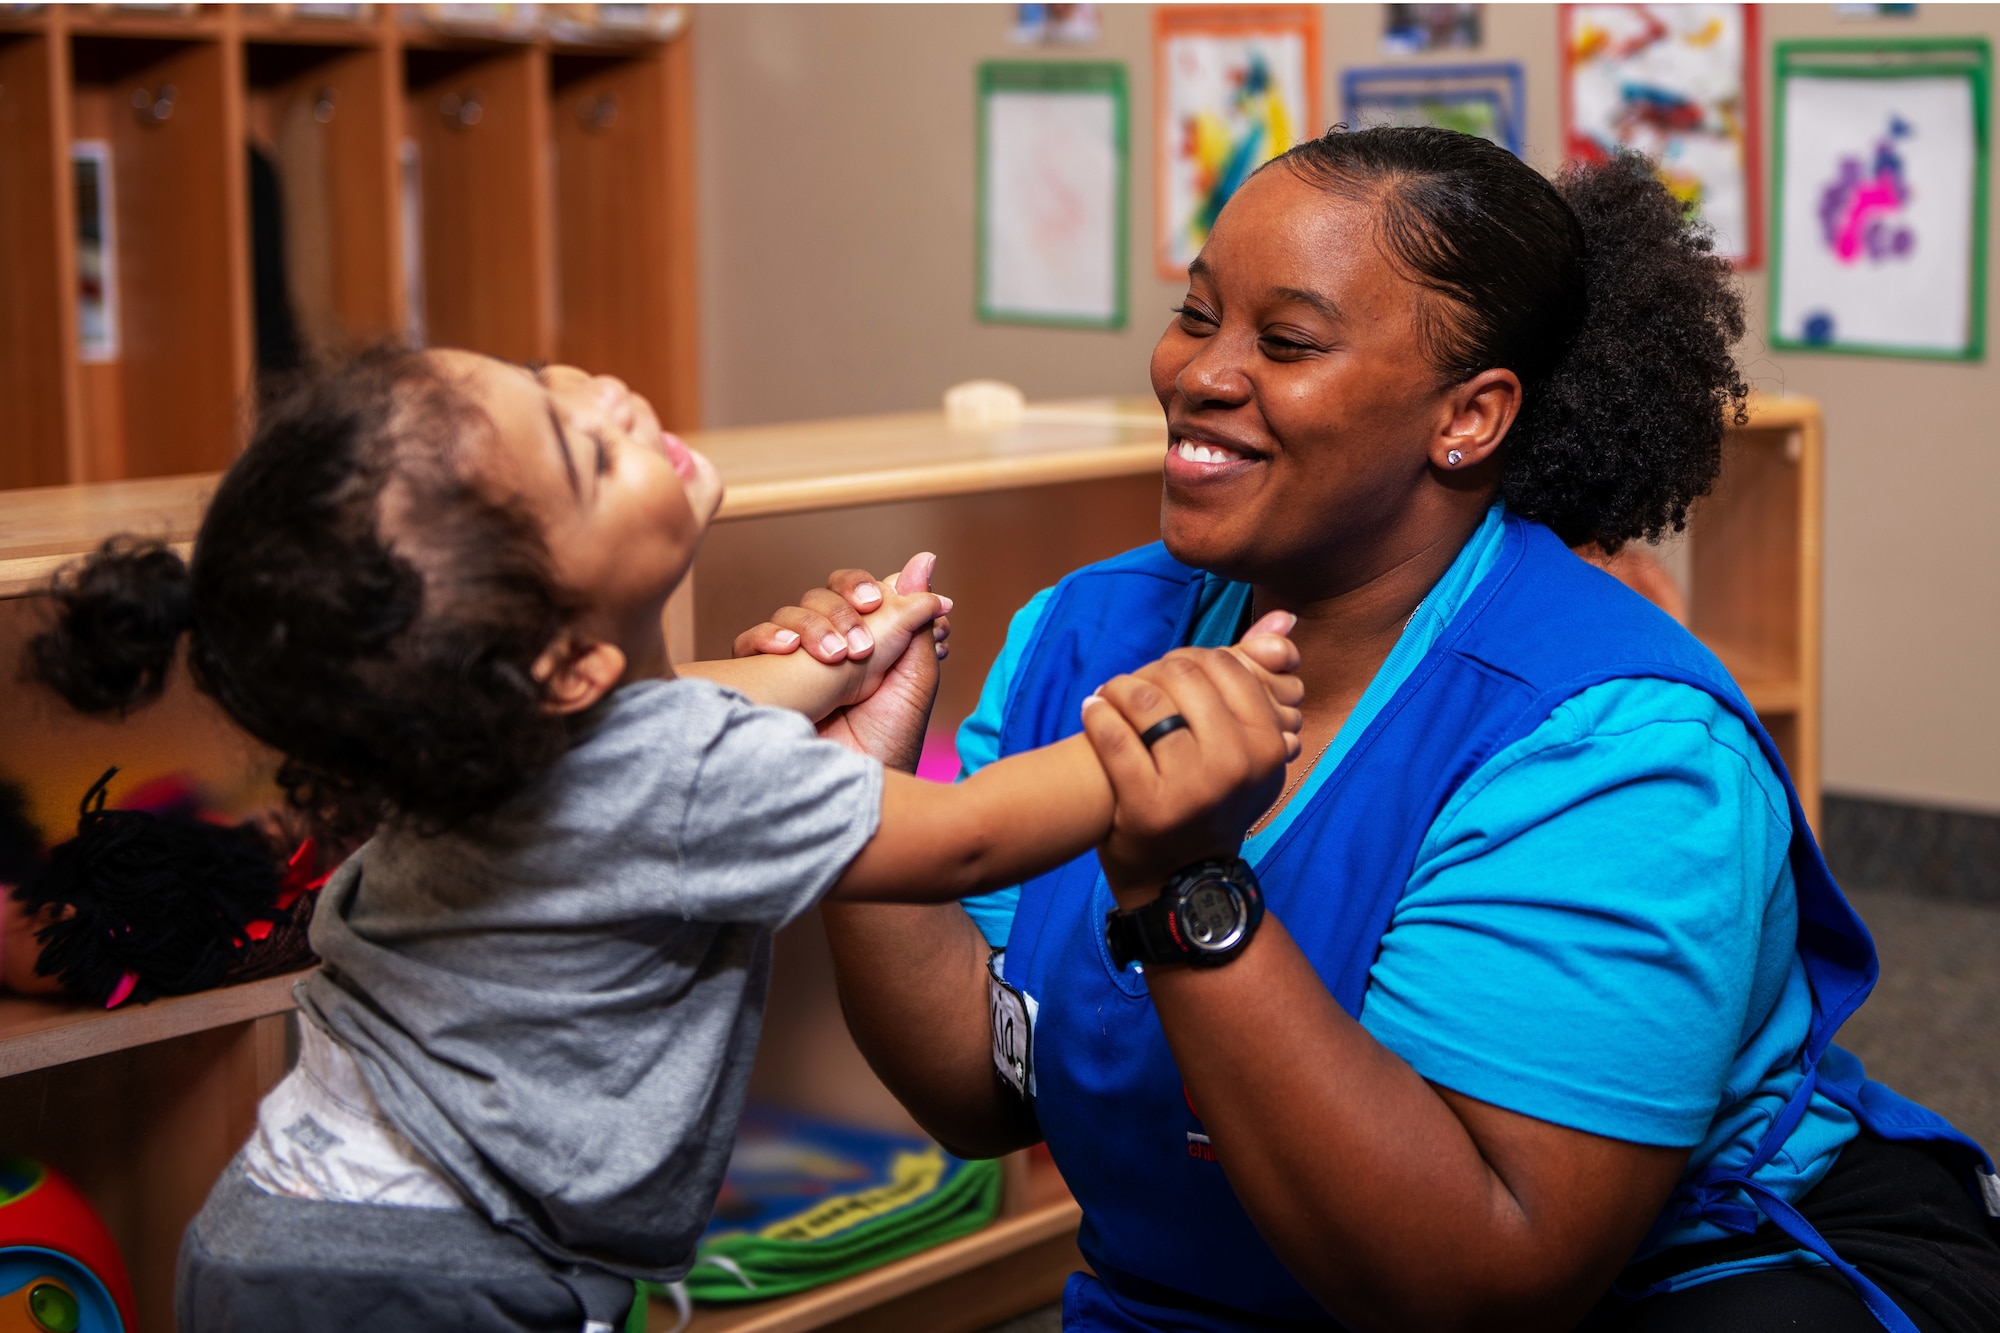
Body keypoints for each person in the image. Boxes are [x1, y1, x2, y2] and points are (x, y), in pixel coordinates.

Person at [736, 129, 2000, 1332]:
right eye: (1193, 313)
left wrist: (1186, 892)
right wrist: (857, 804)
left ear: (1469, 417)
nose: (1198, 373)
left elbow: (1481, 1288)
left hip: (1670, 1282)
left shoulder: (1614, 747)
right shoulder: (1085, 627)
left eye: (1284, 339)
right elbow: (982, 1088)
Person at [24, 347, 1304, 1333]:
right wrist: (1174, 723)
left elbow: (678, 712)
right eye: (583, 452)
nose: (610, 395)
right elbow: (963, 839)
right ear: (566, 663)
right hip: (426, 1274)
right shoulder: (684, 782)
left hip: (290, 1226)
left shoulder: (470, 738)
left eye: (554, 386)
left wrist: (830, 669)